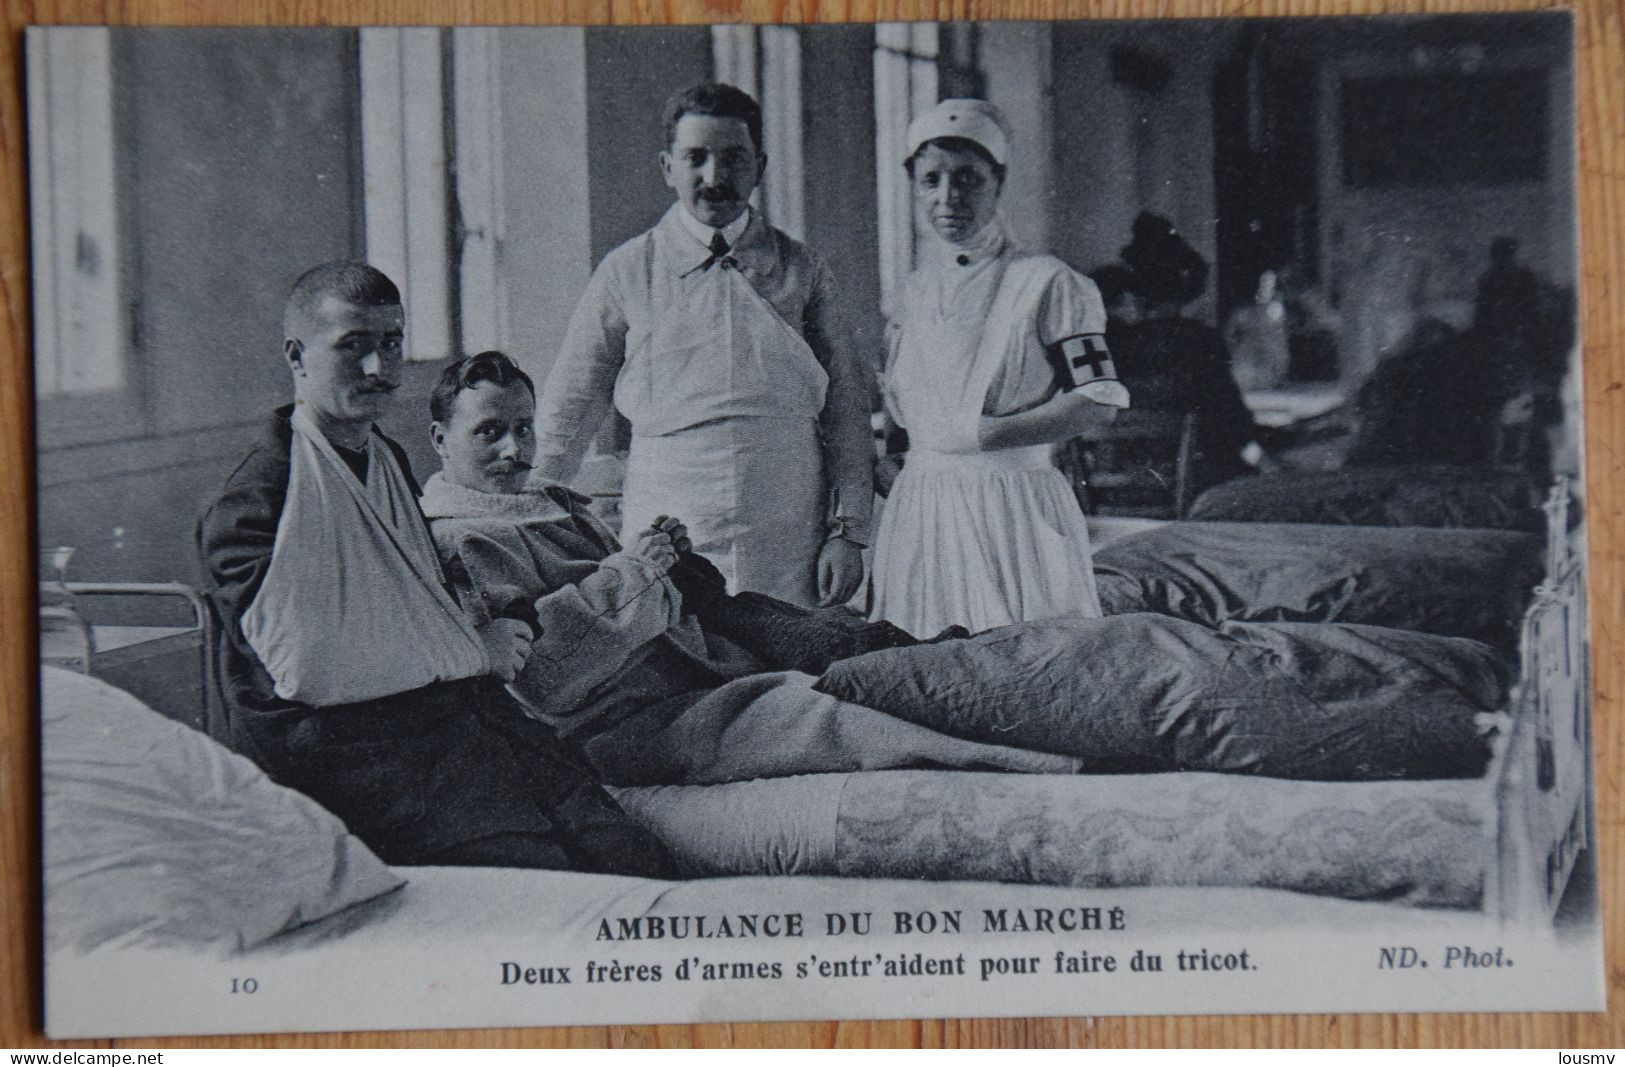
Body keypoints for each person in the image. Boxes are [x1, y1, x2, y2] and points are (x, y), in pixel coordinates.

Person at [197, 262, 673, 876]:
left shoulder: (385, 459)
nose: (378, 369)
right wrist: (471, 651)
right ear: (297, 356)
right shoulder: (256, 504)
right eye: (352, 348)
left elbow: (431, 606)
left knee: (628, 852)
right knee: (544, 877)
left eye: (391, 344)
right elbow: (310, 669)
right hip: (352, 755)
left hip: (448, 719)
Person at [420, 351, 1077, 787]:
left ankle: (1044, 680)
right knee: (855, 711)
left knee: (862, 645)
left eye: (524, 429)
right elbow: (539, 681)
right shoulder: (463, 542)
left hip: (704, 660)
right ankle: (1054, 752)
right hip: (631, 720)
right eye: (489, 432)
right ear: (439, 439)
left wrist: (659, 555)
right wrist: (633, 573)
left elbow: (647, 587)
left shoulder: (552, 502)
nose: (514, 449)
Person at [531, 82, 872, 610]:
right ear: (668, 167)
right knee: (679, 654)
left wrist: (849, 533)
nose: (714, 178)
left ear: (759, 165)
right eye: (696, 158)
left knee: (788, 659)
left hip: (787, 513)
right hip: (671, 505)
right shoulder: (628, 270)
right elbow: (572, 402)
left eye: (733, 159)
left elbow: (847, 409)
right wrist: (534, 505)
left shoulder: (803, 270)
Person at [869, 99, 1130, 637]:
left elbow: (1099, 397)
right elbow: (901, 415)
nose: (948, 197)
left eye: (968, 179)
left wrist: (987, 434)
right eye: (931, 180)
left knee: (1025, 663)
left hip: (1015, 506)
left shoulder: (1048, 282)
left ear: (999, 180)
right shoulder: (909, 293)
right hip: (921, 510)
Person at [1111, 212, 1260, 495]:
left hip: (1122, 488)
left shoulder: (1116, 343)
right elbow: (1236, 424)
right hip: (1196, 489)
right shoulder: (1200, 340)